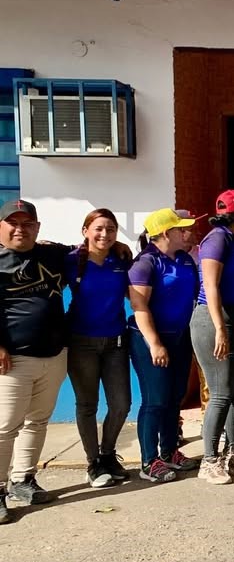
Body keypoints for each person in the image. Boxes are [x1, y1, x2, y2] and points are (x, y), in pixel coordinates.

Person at [0, 200, 77, 520]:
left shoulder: (52, 253)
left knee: (37, 420)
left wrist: (124, 251)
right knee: (4, 428)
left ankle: (23, 479)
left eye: (27, 223)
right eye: (13, 223)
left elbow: (88, 247)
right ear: (1, 226)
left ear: (38, 227)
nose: (20, 229)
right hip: (13, 360)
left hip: (54, 354)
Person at [191, 190, 234, 485]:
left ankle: (232, 453)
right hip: (217, 320)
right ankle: (209, 460)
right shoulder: (217, 239)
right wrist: (221, 328)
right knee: (220, 393)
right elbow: (211, 286)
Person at [128, 209, 200, 483]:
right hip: (149, 340)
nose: (189, 232)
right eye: (183, 229)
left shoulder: (184, 260)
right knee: (155, 399)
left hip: (179, 337)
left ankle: (170, 451)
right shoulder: (145, 263)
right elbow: (139, 305)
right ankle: (149, 461)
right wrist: (155, 343)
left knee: (175, 397)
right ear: (165, 234)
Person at [64, 209, 133, 488]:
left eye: (111, 229)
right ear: (85, 231)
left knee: (121, 404)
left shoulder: (122, 259)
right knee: (87, 405)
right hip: (81, 342)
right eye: (99, 228)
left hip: (115, 342)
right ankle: (93, 464)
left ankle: (107, 455)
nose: (105, 234)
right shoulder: (71, 260)